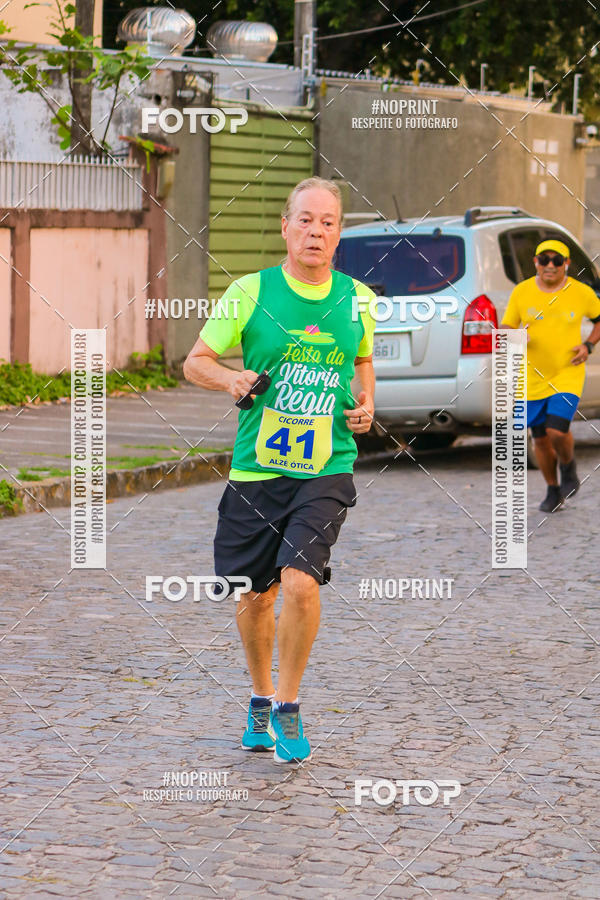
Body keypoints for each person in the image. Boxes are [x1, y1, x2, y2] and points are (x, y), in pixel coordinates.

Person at [183, 177, 377, 763]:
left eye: (329, 222)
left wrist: (367, 403)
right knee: (254, 594)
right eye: (307, 219)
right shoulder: (249, 292)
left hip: (327, 464)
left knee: (300, 580)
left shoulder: (358, 298)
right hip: (257, 468)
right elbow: (196, 363)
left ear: (339, 234)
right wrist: (232, 378)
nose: (317, 231)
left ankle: (289, 706)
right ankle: (261, 696)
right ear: (286, 227)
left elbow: (363, 360)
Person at [501, 238, 600, 512]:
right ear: (535, 262)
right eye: (544, 259)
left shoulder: (581, 293)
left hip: (567, 373)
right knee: (540, 439)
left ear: (566, 264)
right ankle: (553, 489)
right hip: (531, 379)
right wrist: (518, 335)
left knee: (557, 430)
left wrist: (588, 345)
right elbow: (506, 326)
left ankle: (568, 466)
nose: (550, 265)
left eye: (557, 260)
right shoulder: (521, 292)